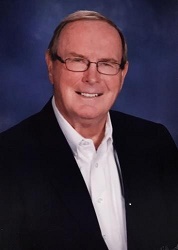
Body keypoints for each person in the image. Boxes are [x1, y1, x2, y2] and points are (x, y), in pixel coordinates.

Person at [0, 10, 178, 250]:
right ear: (51, 66)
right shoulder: (8, 157)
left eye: (107, 64)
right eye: (77, 60)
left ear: (122, 74)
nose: (92, 77)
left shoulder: (155, 141)